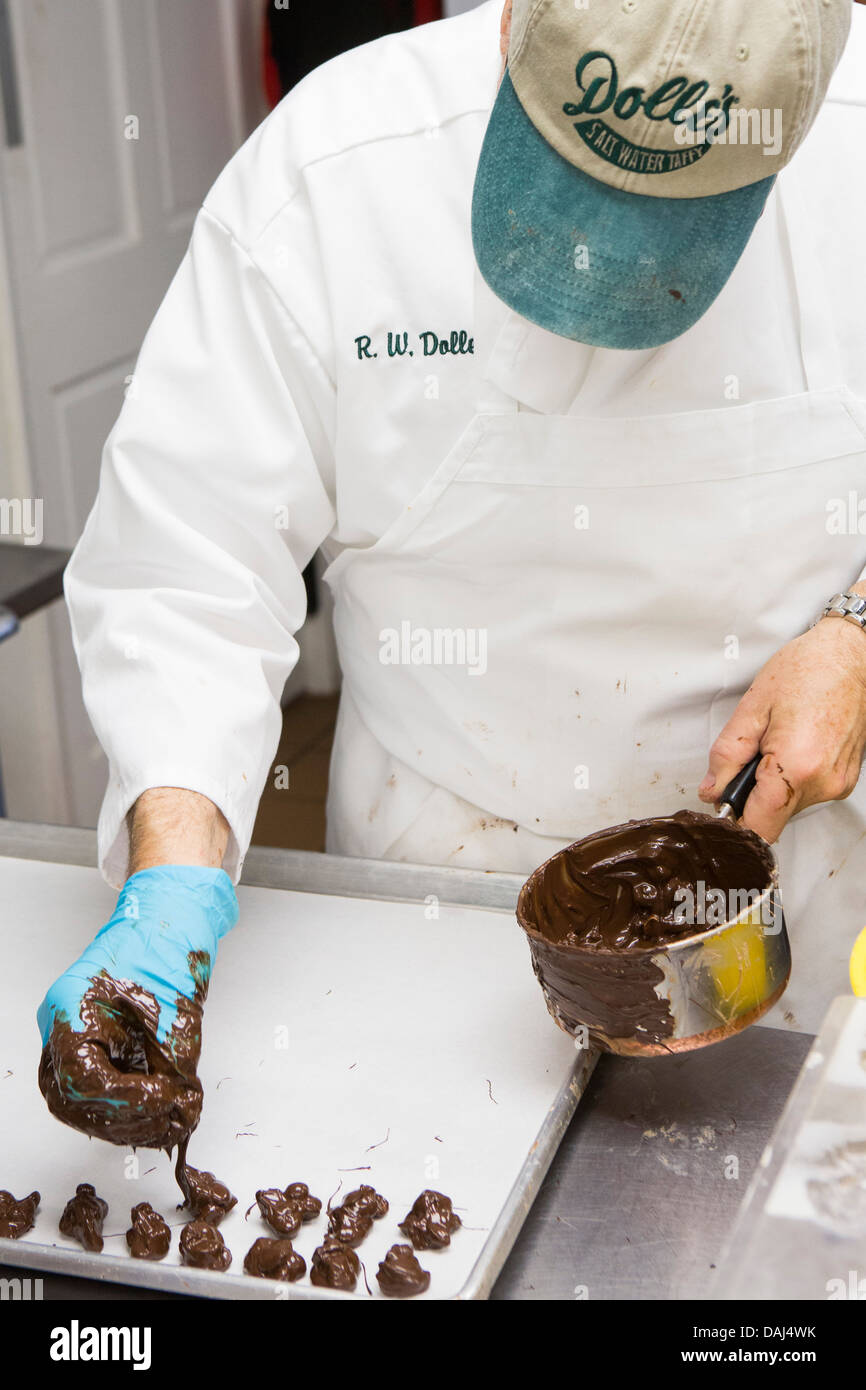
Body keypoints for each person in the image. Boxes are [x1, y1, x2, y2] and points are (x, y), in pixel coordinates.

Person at [38, 0, 866, 1143]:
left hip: (792, 903)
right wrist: (172, 878)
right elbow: (188, 561)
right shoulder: (332, 176)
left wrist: (857, 628)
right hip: (436, 884)